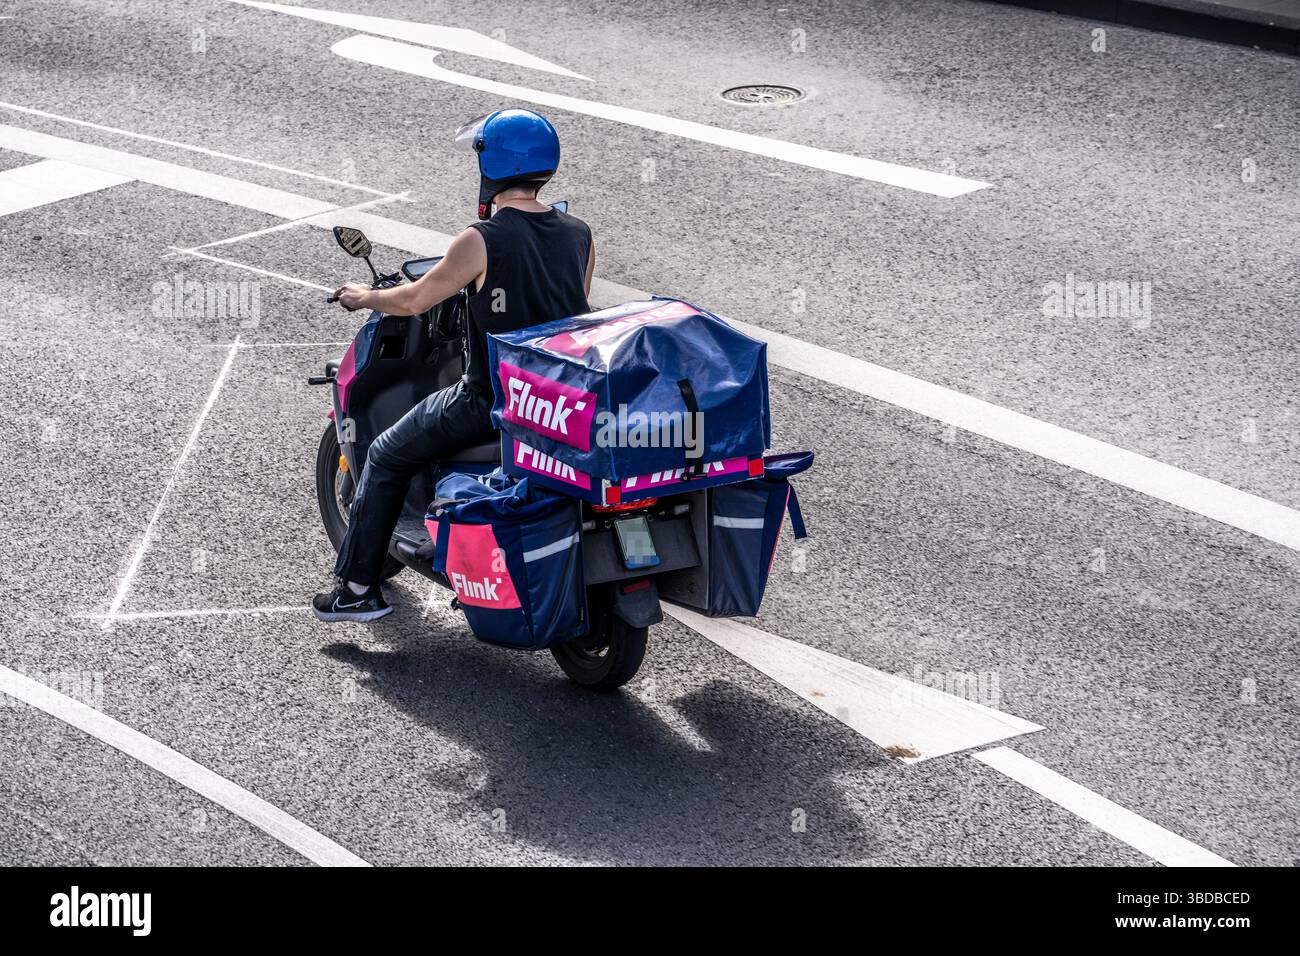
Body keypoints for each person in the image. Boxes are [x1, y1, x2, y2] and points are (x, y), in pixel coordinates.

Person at [313, 108, 594, 622]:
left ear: (491, 166)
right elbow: (569, 312)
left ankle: (355, 588)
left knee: (384, 452)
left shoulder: (480, 238)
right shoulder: (579, 233)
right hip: (553, 403)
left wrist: (362, 297)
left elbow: (416, 300)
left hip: (488, 400)